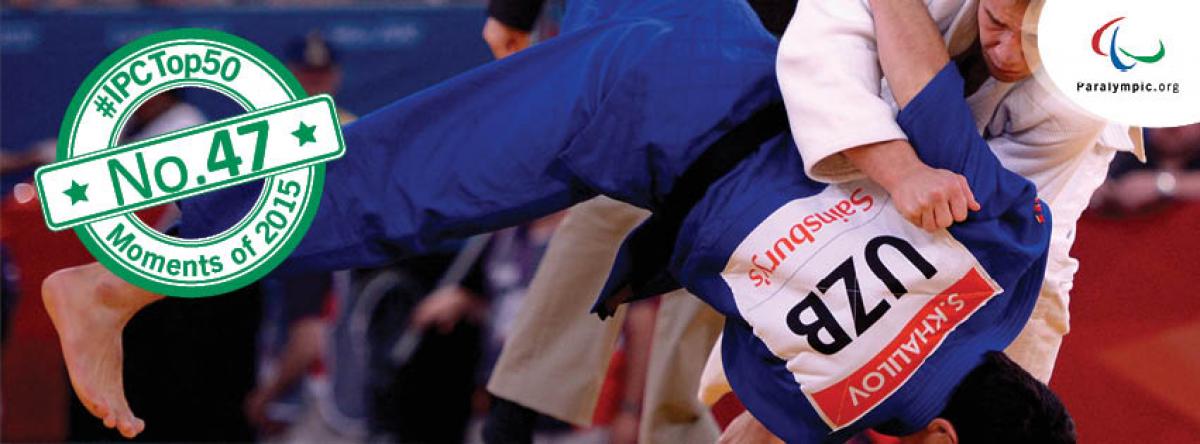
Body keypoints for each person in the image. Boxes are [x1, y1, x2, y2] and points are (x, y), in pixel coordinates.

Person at [43, 0, 1070, 441]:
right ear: (939, 439)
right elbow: (752, 359)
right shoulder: (843, 411)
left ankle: (113, 220)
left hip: (728, 61)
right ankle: (118, 279)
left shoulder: (1010, 260)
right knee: (394, 181)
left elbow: (924, 81)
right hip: (636, 128)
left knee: (411, 147)